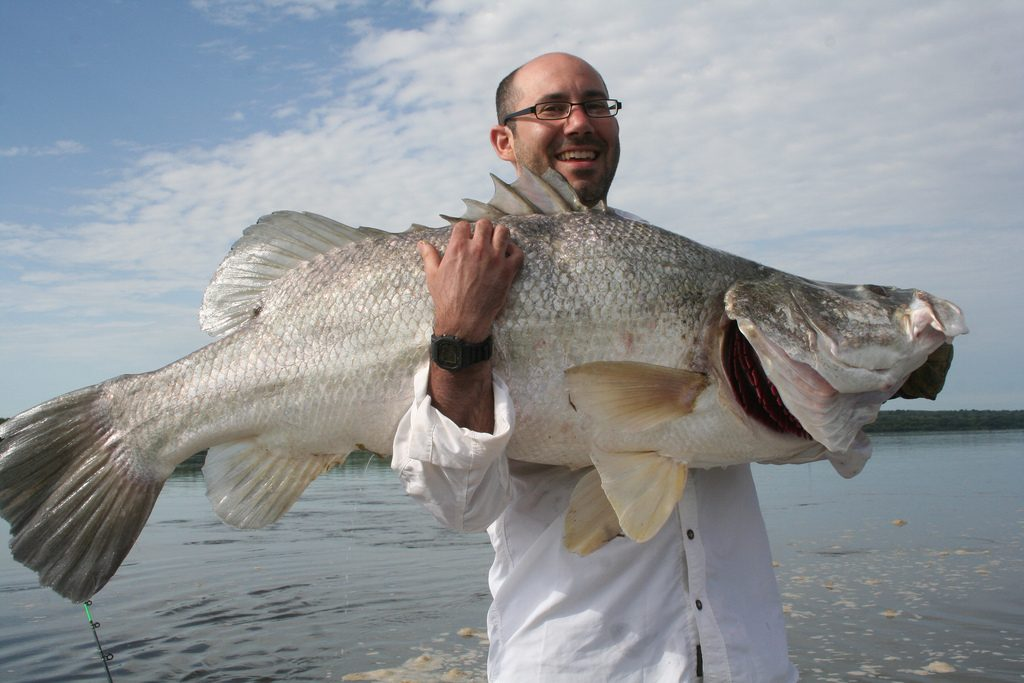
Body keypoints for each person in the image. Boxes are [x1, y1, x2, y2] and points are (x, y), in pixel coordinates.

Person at [391, 52, 797, 682]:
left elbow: (810, 434)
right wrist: (459, 334)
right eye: (551, 108)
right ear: (504, 140)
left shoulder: (676, 261)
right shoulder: (457, 271)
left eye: (596, 104)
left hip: (749, 664)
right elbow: (460, 506)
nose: (579, 121)